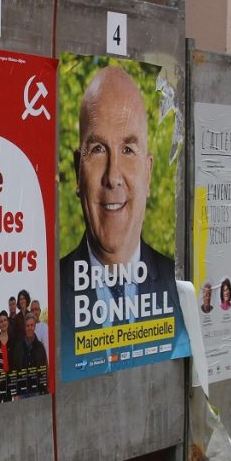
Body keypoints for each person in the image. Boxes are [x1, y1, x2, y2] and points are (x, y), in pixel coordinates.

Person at [59, 65, 182, 359]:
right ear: (78, 172)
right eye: (99, 149)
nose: (113, 176)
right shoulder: (48, 296)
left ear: (148, 173)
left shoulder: (178, 289)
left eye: (128, 150)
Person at [11, 312, 49, 396]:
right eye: (27, 326)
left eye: (31, 325)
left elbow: (44, 369)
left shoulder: (40, 347)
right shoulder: (18, 347)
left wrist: (45, 390)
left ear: (35, 326)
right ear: (25, 327)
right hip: (22, 392)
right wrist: (15, 393)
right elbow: (14, 369)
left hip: (37, 391)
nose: (29, 328)